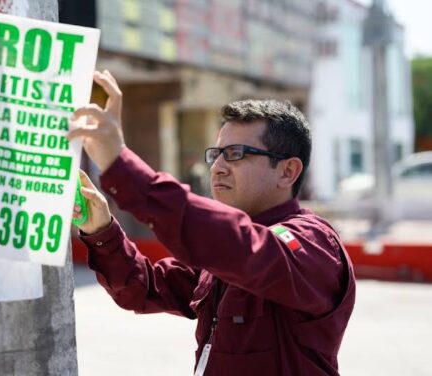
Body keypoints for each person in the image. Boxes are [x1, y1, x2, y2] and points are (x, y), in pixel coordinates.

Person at [69, 71, 355, 375]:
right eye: (216, 154)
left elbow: (244, 248)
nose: (218, 167)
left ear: (287, 172)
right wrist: (101, 229)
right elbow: (143, 288)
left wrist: (123, 168)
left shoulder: (311, 243)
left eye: (235, 154)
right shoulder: (224, 255)